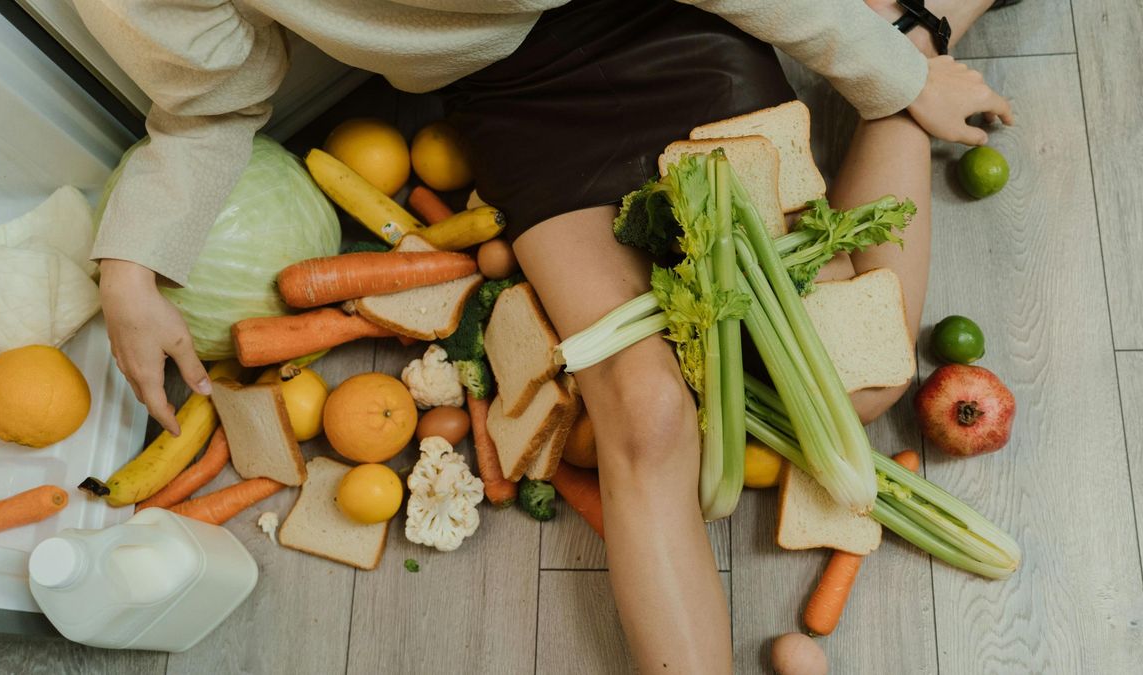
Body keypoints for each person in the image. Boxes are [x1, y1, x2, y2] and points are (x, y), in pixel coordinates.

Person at [75, 0, 1012, 671]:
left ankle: (913, 31)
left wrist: (891, 73)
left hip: (666, 23)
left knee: (864, 388)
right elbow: (210, 94)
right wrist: (129, 263)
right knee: (642, 414)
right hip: (511, 95)